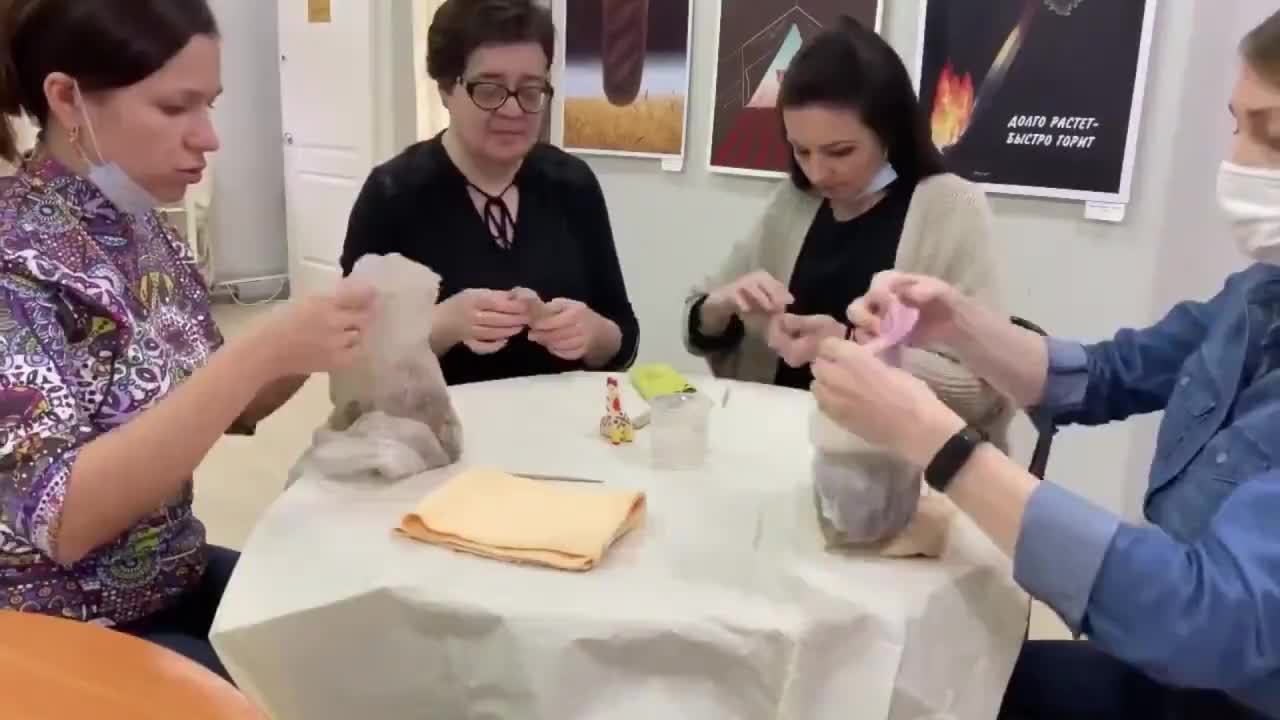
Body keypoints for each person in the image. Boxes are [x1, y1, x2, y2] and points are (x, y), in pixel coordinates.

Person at [816, 10, 1280, 718]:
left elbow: (1208, 619)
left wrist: (939, 444)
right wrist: (958, 323)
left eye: (1271, 136)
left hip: (1225, 683)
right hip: (1170, 668)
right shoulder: (1256, 298)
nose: (1236, 161)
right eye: (1236, 126)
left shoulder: (948, 201)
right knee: (936, 682)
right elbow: (1107, 374)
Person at [0, 0, 373, 683]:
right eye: (176, 107)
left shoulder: (145, 228)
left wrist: (324, 335)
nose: (208, 137)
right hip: (57, 630)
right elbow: (66, 517)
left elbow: (228, 407)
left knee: (359, 632)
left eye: (210, 104)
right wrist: (262, 350)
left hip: (174, 576)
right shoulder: (14, 260)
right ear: (67, 99)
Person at [683, 16, 1009, 442]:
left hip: (894, 461)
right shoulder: (794, 203)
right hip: (778, 442)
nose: (817, 172)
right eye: (801, 151)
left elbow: (985, 390)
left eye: (840, 152)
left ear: (889, 133)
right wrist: (719, 307)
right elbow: (698, 322)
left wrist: (851, 346)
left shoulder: (950, 208)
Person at [341, 0, 639, 386]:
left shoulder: (573, 184)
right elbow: (351, 362)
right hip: (435, 423)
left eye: (530, 91)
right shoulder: (393, 194)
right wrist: (440, 325)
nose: (512, 111)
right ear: (446, 88)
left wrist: (595, 334)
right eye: (489, 89)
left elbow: (623, 337)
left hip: (564, 419)